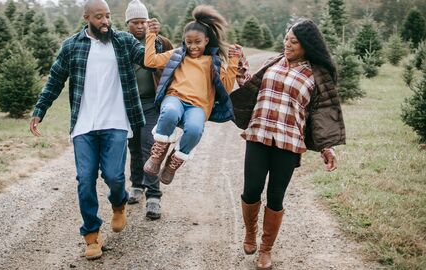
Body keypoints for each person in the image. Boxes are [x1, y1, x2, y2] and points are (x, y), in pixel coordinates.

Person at [29, 0, 157, 260]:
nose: (105, 22)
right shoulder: (72, 46)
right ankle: (91, 236)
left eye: (108, 16)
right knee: (85, 180)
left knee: (114, 176)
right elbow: (55, 79)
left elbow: (149, 60)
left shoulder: (122, 41)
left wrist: (158, 39)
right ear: (86, 17)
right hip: (84, 125)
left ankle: (118, 203)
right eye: (99, 17)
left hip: (116, 123)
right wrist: (39, 110)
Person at [230, 19, 346, 270]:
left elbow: (321, 114)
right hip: (259, 134)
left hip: (288, 143)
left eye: (294, 41)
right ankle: (250, 233)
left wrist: (327, 147)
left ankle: (266, 250)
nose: (287, 44)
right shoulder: (273, 62)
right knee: (251, 190)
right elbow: (253, 88)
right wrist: (240, 67)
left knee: (275, 197)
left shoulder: (316, 75)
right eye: (286, 38)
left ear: (306, 45)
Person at [142, 5, 242, 185]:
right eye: (189, 42)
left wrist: (234, 61)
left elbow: (226, 88)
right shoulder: (177, 55)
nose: (193, 46)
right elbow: (150, 61)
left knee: (195, 129)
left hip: (198, 107)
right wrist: (151, 35)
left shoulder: (213, 62)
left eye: (198, 42)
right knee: (170, 112)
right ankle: (158, 153)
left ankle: (173, 163)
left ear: (206, 40)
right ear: (184, 41)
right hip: (175, 98)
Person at [124, 0, 173, 220]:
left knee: (150, 146)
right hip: (129, 104)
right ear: (128, 24)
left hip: (152, 103)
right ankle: (137, 185)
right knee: (133, 145)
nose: (141, 26)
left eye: (143, 21)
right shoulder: (122, 43)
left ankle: (154, 196)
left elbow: (174, 66)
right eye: (135, 22)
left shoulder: (160, 42)